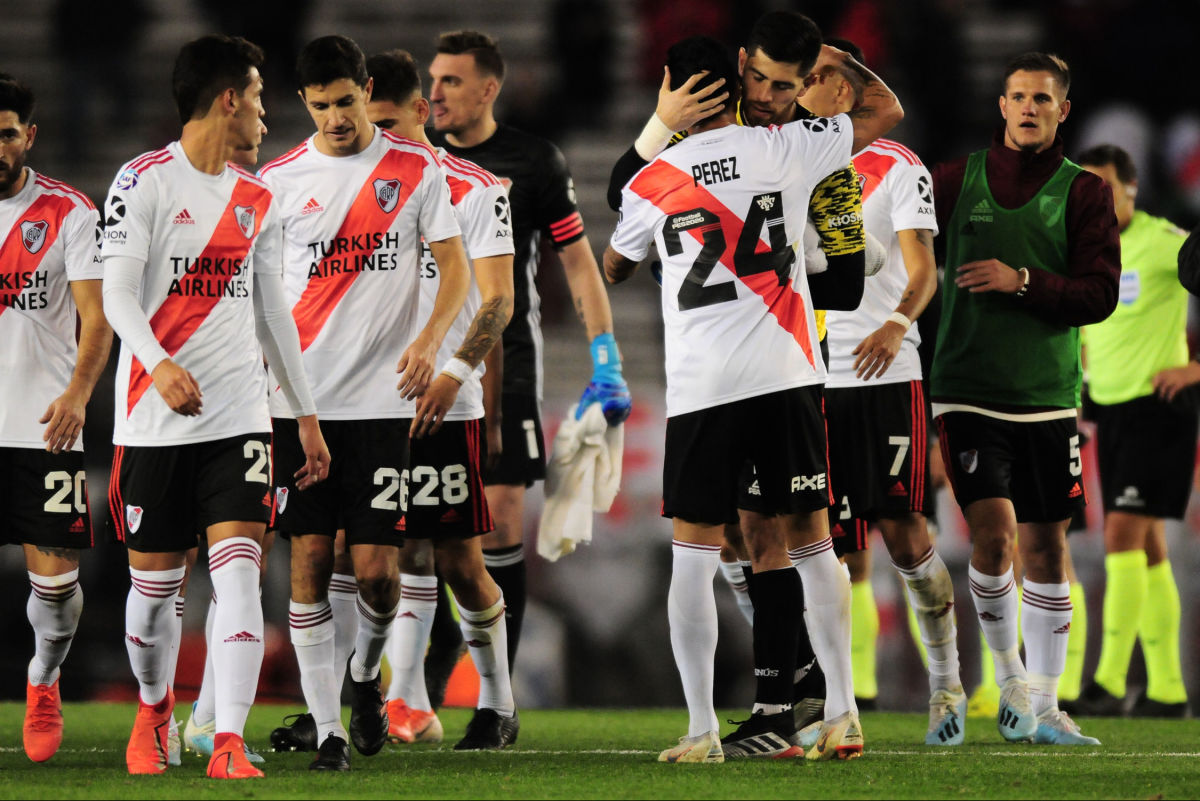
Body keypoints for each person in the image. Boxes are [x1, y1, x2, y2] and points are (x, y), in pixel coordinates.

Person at [605, 34, 902, 763]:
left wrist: (657, 136)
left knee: (695, 557)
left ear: (676, 91)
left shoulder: (655, 177)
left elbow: (613, 265)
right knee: (812, 540)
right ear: (738, 77)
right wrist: (834, 55)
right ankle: (841, 712)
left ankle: (703, 726)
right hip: (789, 373)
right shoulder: (788, 148)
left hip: (705, 389)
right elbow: (885, 107)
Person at [100, 34, 330, 778]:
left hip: (238, 416)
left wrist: (304, 411)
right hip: (152, 419)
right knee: (152, 596)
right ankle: (155, 708)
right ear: (229, 99)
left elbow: (273, 314)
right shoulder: (143, 182)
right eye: (260, 99)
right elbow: (115, 293)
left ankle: (226, 739)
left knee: (239, 573)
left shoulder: (256, 198)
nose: (267, 117)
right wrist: (158, 363)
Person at [256, 35, 470, 771]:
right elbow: (258, 291)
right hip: (303, 405)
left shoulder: (415, 170)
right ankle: (327, 732)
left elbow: (455, 270)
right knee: (311, 560)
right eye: (321, 107)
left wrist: (431, 340)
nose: (337, 119)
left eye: (346, 102)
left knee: (379, 573)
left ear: (365, 86)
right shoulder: (279, 178)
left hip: (383, 404)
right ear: (302, 104)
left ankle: (363, 677)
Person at [427, 30, 633, 677]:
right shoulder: (415, 161)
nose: (435, 93)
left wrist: (606, 354)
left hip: (506, 363)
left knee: (500, 521)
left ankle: (497, 696)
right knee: (425, 533)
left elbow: (577, 264)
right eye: (432, 81)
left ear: (489, 89)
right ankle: (421, 682)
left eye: (451, 81)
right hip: (423, 368)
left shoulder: (533, 161)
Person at [929, 52, 1119, 746]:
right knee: (995, 535)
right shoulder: (954, 182)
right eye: (1017, 96)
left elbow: (1098, 296)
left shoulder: (1085, 193)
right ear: (1002, 106)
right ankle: (1010, 677)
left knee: (1046, 547)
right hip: (968, 390)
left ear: (1062, 110)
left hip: (1047, 395)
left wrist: (1021, 281)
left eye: (1042, 98)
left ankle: (1043, 705)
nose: (1029, 108)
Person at [798, 40, 965, 745]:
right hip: (812, 376)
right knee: (825, 548)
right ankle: (839, 703)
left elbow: (924, 270)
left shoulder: (897, 166)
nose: (803, 90)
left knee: (904, 535)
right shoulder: (787, 162)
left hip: (885, 372)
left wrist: (898, 323)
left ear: (845, 87)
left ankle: (947, 681)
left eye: (815, 78)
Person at [364, 48, 521, 750]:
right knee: (361, 551)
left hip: (445, 400)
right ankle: (395, 698)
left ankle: (498, 702)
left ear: (421, 114)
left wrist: (458, 371)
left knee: (457, 557)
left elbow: (499, 301)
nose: (378, 138)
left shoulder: (477, 189)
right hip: (368, 401)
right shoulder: (358, 186)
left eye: (389, 123)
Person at [0, 73, 112, 764]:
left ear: (28, 137)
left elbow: (99, 318)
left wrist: (77, 394)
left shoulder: (69, 212)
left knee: (60, 591)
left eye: (6, 132)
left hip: (43, 426)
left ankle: (44, 677)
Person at [1071, 144, 1193, 719]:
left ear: (1131, 189)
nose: (1097, 199)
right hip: (1109, 409)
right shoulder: (1086, 250)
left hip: (1157, 407)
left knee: (1120, 536)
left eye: (1106, 187)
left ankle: (1109, 681)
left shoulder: (1167, 241)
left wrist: (1197, 368)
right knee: (1147, 551)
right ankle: (1167, 689)